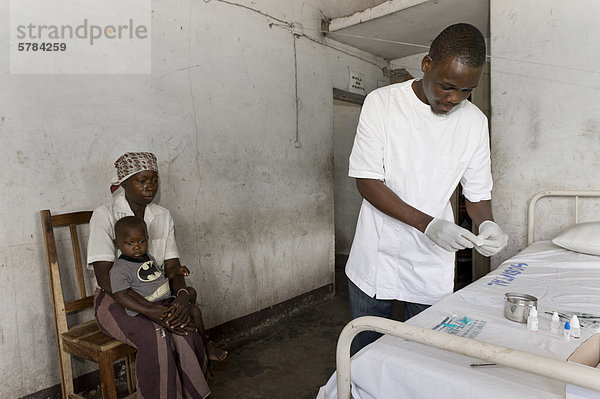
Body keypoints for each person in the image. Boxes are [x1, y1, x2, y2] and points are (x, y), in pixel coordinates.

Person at [345, 23, 509, 356]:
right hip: (377, 252)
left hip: (431, 258)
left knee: (424, 353)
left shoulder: (474, 122)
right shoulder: (383, 104)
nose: (454, 99)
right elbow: (367, 181)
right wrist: (428, 224)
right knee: (365, 352)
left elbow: (477, 193)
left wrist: (487, 224)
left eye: (466, 91)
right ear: (426, 65)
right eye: (447, 86)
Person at [88, 151, 211, 398]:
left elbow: (173, 268)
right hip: (117, 299)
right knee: (157, 335)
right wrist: (151, 311)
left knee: (182, 326)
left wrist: (182, 297)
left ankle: (196, 394)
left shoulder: (163, 216)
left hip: (159, 298)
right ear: (123, 183)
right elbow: (105, 279)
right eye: (141, 181)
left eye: (154, 180)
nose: (149, 187)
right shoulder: (105, 215)